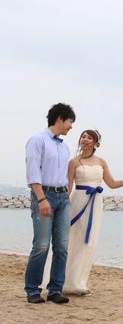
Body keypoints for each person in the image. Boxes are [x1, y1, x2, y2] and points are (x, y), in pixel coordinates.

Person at [63, 129, 123, 295]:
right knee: (74, 240)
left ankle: (79, 282)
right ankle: (66, 282)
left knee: (89, 242)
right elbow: (68, 188)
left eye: (89, 137)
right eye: (83, 136)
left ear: (96, 143)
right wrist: (61, 206)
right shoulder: (73, 162)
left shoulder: (101, 162)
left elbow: (111, 183)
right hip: (78, 201)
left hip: (95, 202)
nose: (85, 139)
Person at [24, 103, 76, 304]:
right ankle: (32, 290)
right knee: (42, 245)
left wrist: (66, 196)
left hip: (63, 198)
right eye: (70, 121)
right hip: (44, 195)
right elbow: (33, 172)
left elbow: (64, 176)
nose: (71, 126)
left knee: (62, 247)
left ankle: (55, 290)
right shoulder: (37, 140)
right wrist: (41, 199)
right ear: (60, 118)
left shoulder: (64, 146)